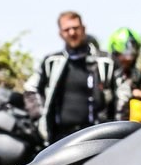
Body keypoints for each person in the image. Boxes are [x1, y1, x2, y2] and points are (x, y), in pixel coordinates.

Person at [24, 11, 115, 142]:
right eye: (67, 30)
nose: (72, 33)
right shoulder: (51, 62)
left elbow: (122, 95)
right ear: (60, 34)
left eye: (75, 28)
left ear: (83, 29)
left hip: (98, 137)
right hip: (60, 139)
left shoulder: (106, 62)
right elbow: (30, 88)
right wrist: (40, 120)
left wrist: (117, 129)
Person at [106, 26, 141, 121]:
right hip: (107, 124)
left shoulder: (138, 75)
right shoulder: (106, 74)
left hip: (133, 125)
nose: (128, 60)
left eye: (132, 56)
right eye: (123, 56)